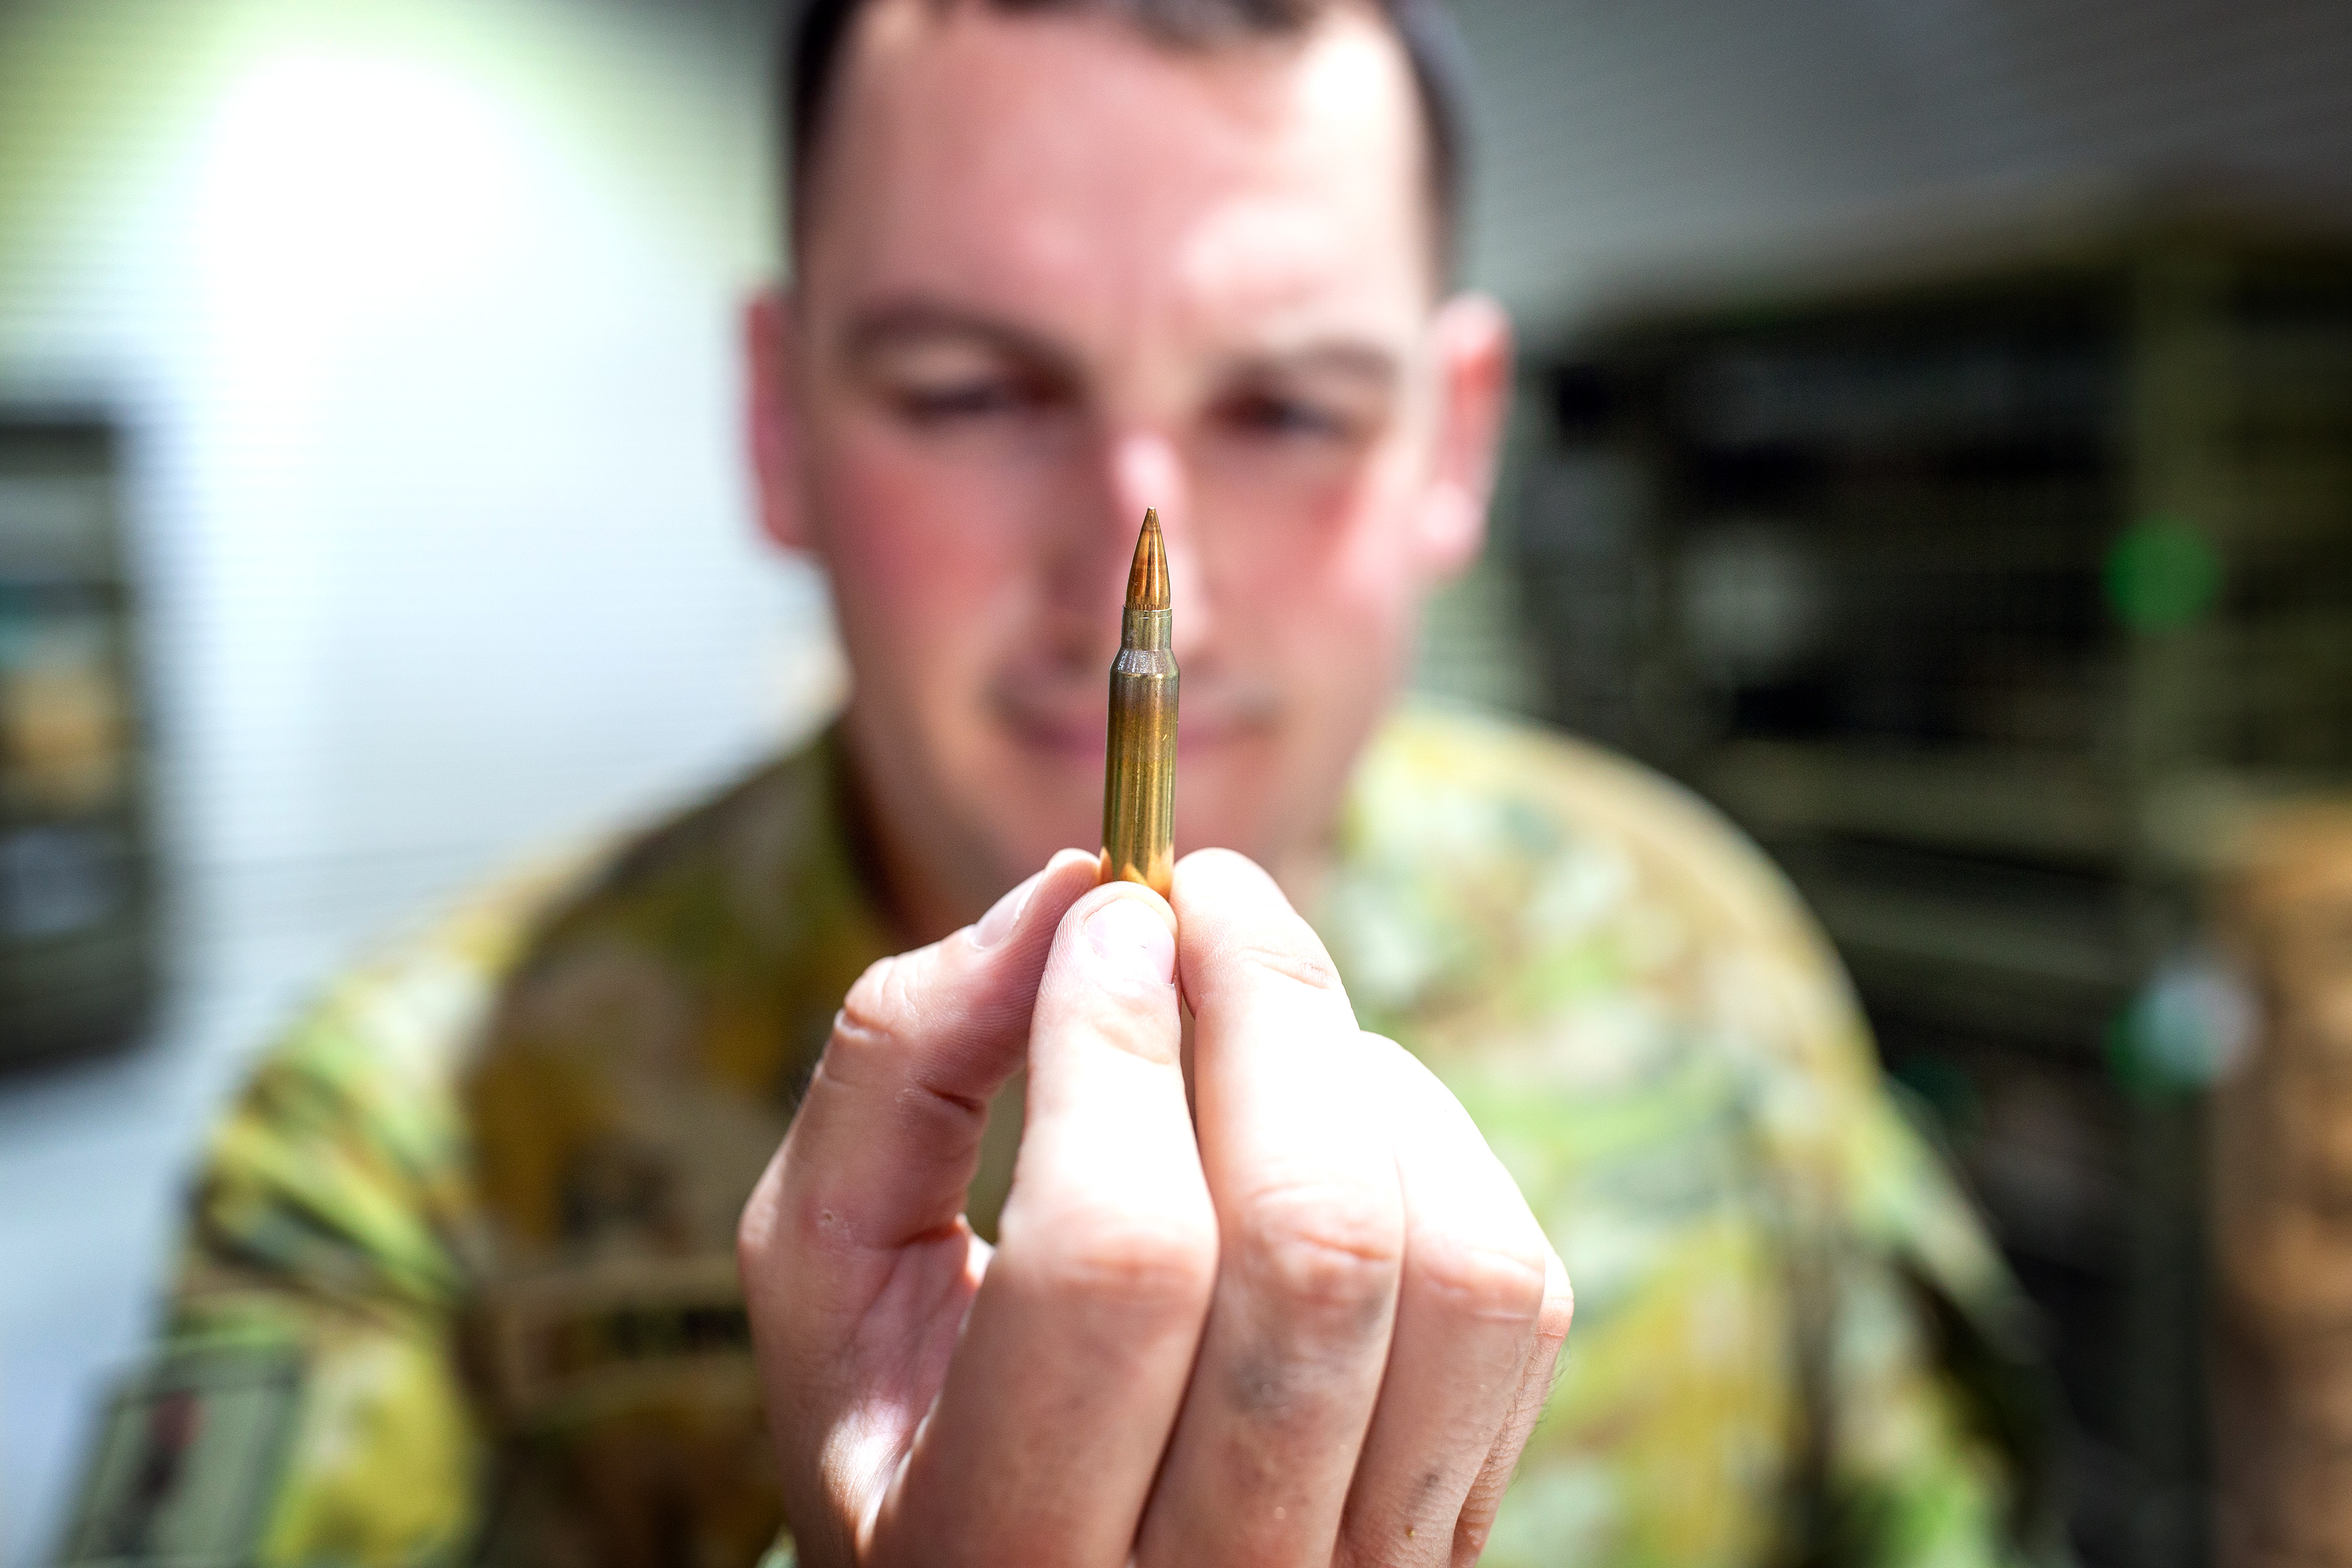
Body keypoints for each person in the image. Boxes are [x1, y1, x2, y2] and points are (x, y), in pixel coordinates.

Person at [54, 1, 2059, 1565]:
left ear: (1456, 443)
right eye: (969, 391)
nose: (1134, 528)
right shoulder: (411, 1134)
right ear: (778, 421)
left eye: (1287, 403)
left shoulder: (1695, 960)